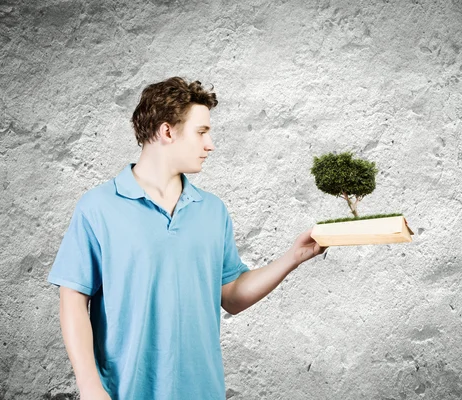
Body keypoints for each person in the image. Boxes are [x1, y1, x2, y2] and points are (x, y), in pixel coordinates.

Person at [46, 76, 328, 399]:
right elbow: (72, 301)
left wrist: (293, 258)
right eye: (202, 132)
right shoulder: (97, 208)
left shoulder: (212, 211)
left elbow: (232, 295)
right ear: (167, 132)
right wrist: (90, 386)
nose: (211, 144)